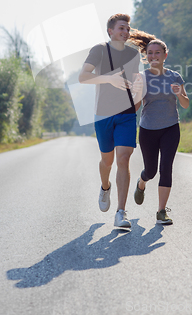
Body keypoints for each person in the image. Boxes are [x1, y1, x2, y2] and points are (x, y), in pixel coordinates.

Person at [79, 14, 143, 228]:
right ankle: (105, 186)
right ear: (110, 31)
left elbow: (136, 85)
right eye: (121, 28)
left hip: (126, 115)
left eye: (128, 29)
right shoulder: (99, 50)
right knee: (107, 161)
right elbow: (83, 76)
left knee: (123, 158)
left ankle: (121, 212)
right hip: (103, 115)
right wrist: (109, 78)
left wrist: (137, 101)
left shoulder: (134, 54)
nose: (126, 32)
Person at [128, 34, 189, 225]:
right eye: (150, 53)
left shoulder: (175, 76)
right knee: (151, 171)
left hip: (171, 127)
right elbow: (136, 108)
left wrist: (180, 94)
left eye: (158, 53)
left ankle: (161, 211)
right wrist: (136, 92)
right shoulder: (141, 77)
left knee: (166, 168)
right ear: (146, 56)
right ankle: (141, 182)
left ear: (165, 55)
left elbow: (185, 104)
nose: (154, 56)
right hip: (148, 129)